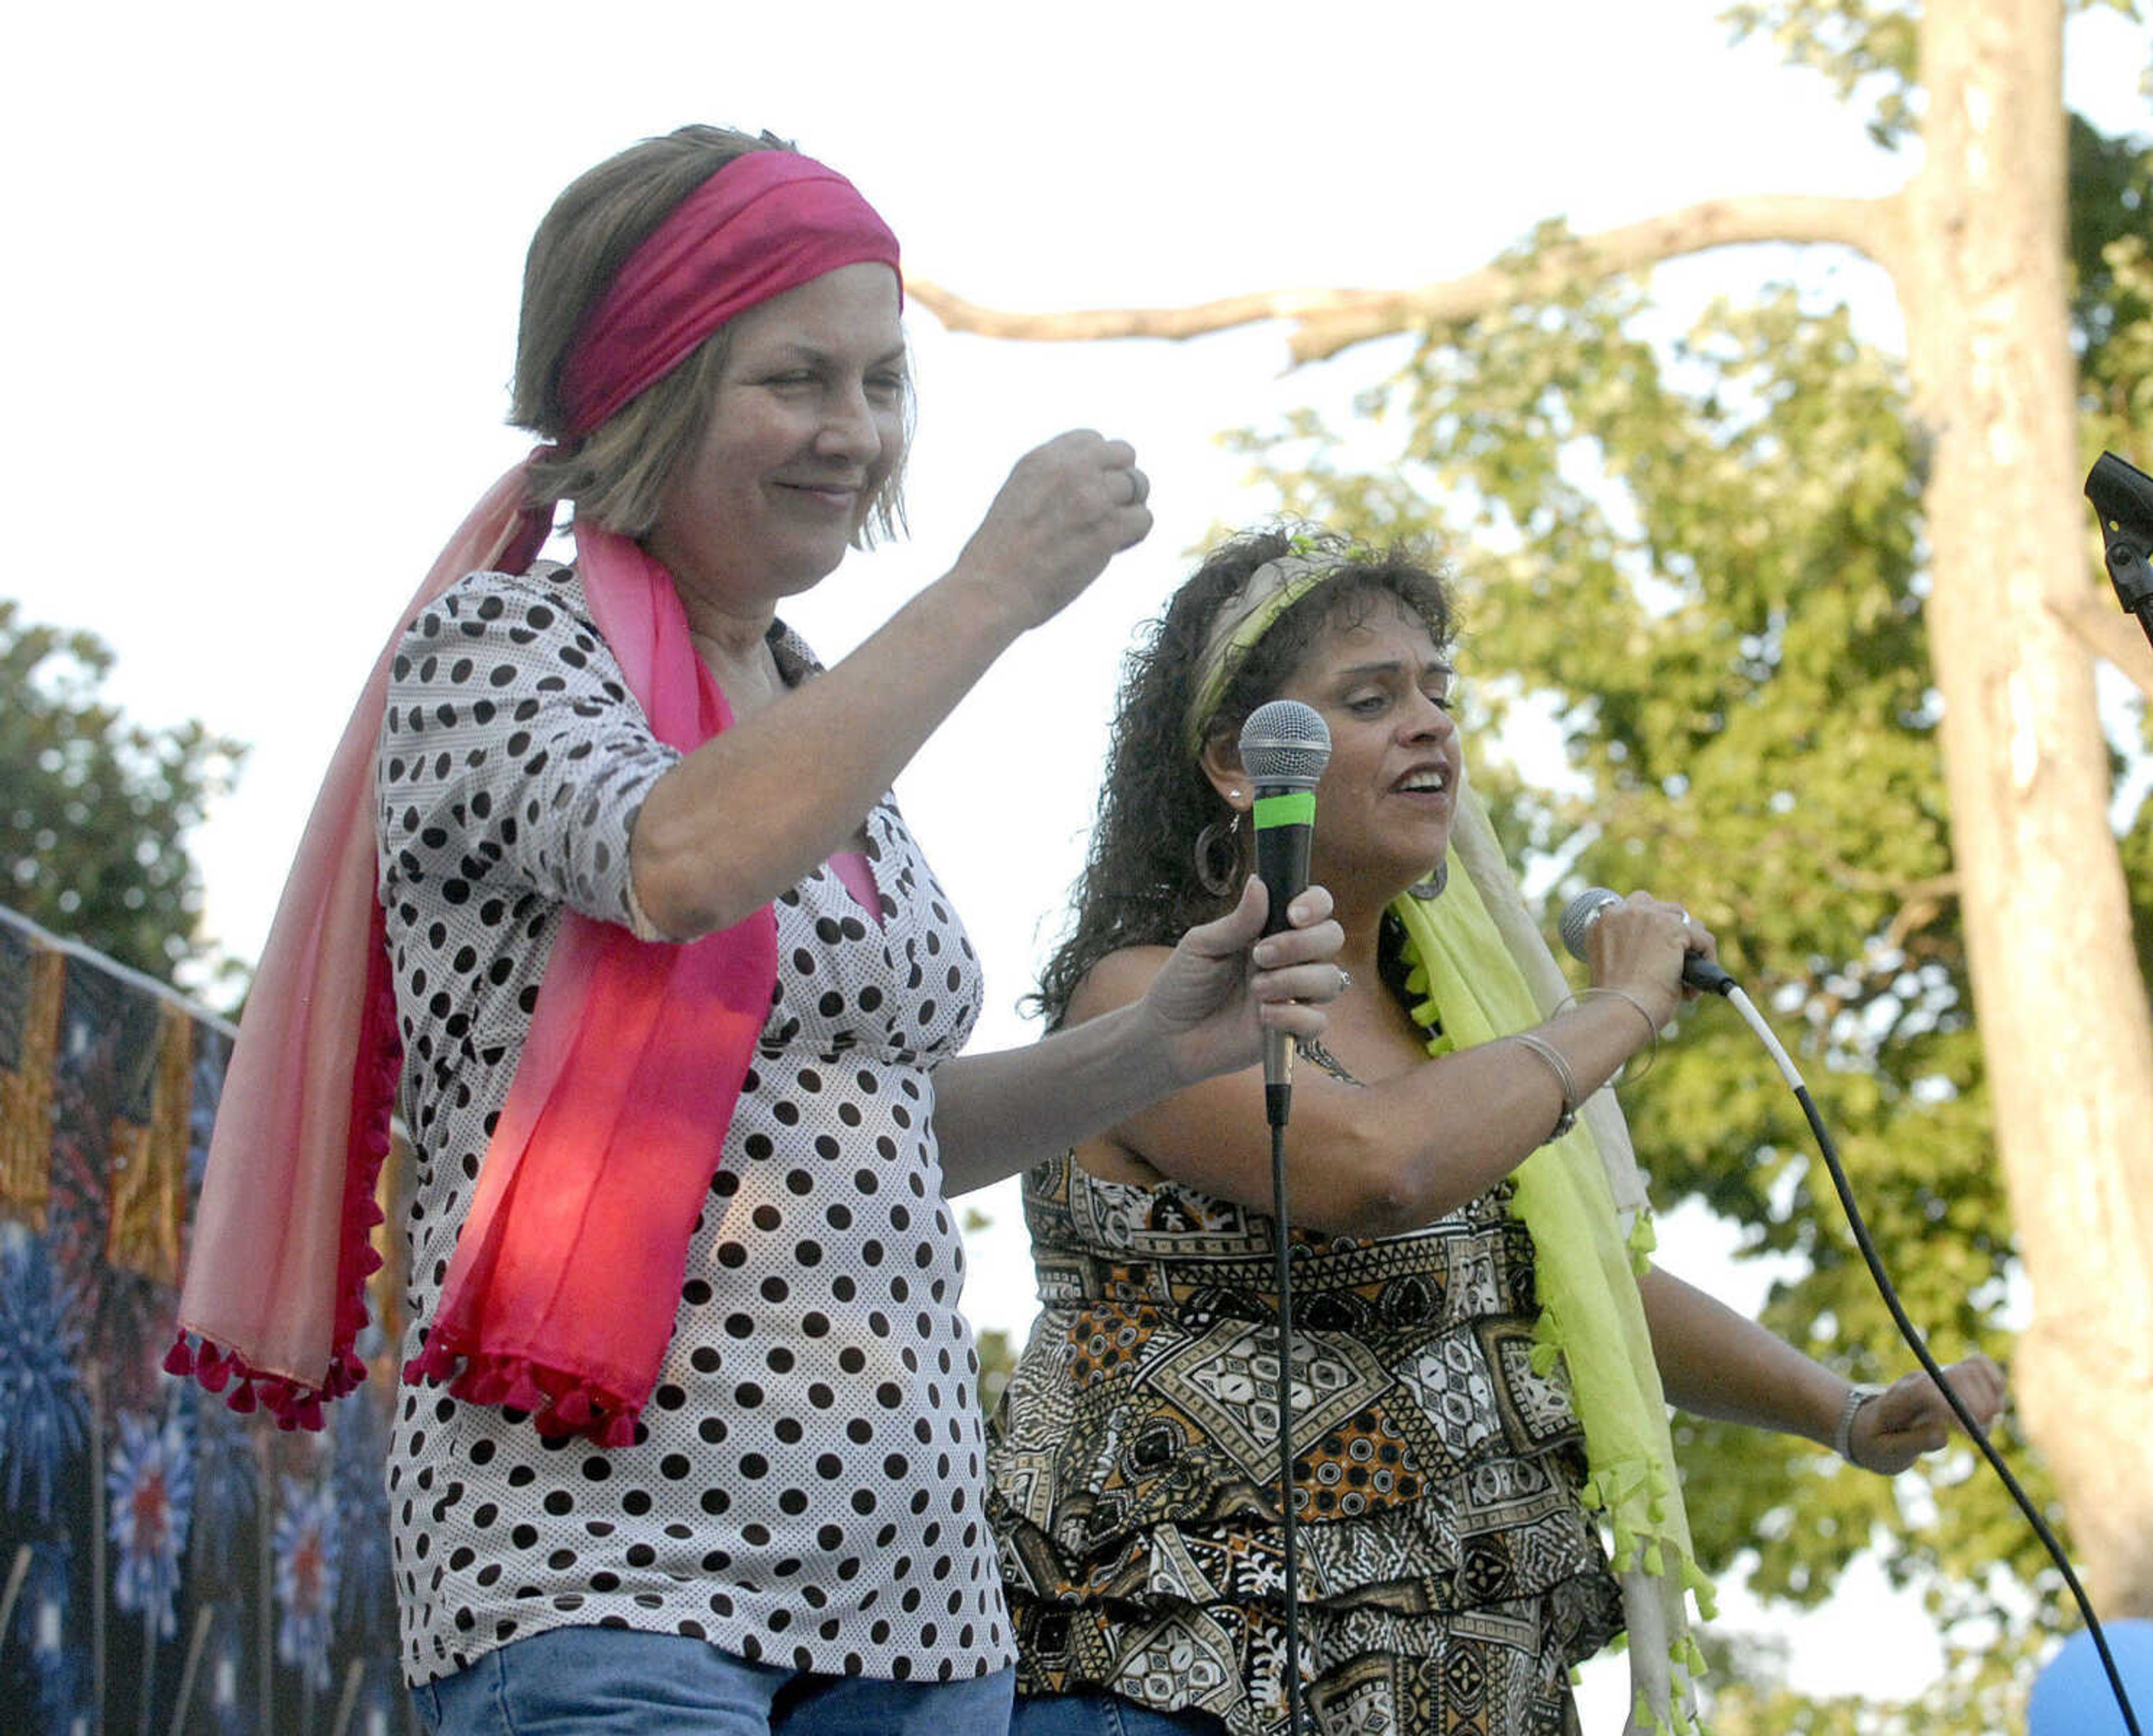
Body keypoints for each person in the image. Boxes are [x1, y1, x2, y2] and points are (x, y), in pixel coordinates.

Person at [168, 128, 1343, 1736]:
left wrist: (1157, 1043)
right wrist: (993, 587)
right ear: (651, 387)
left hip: (915, 1602)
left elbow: (874, 1131)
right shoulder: (502, 645)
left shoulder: (811, 701)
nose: (855, 433)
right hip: (601, 1580)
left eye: (882, 382)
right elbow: (676, 859)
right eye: (799, 378)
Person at [985, 526, 2008, 1736]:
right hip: (1183, 1681)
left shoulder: (1458, 1025)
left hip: (1473, 1682)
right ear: (1237, 762)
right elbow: (1381, 1168)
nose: (1430, 724)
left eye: (1439, 692)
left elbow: (1562, 1281)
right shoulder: (1145, 1002)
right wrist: (1620, 1006)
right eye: (1371, 699)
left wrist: (1839, 1409)